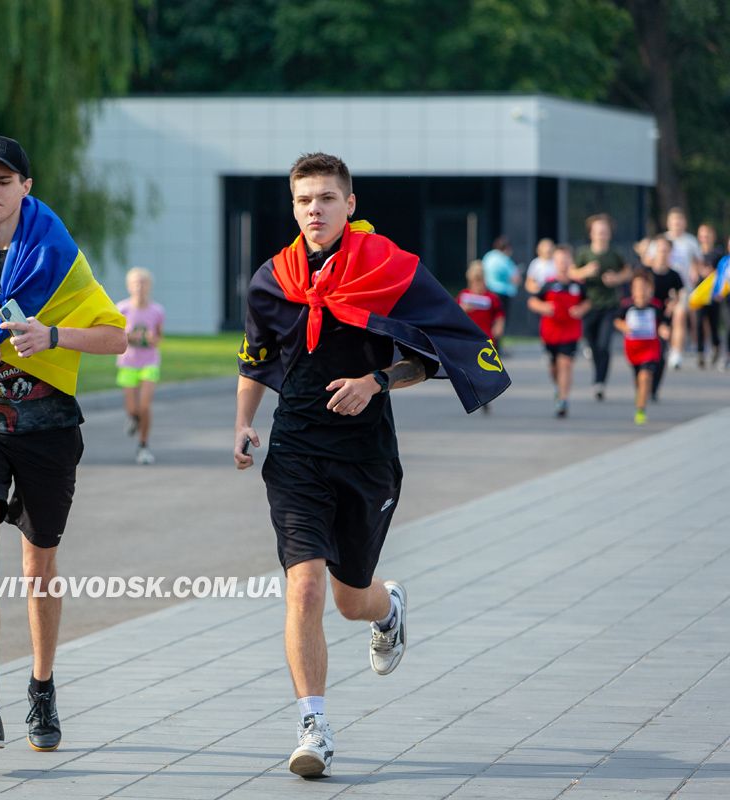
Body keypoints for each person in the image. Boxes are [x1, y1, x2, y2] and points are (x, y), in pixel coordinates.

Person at [234, 152, 510, 779]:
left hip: (365, 456)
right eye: (305, 200)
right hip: (297, 449)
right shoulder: (272, 280)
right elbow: (254, 357)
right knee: (302, 584)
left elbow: (433, 356)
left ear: (349, 205)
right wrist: (244, 421)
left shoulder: (390, 269)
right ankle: (314, 726)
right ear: (294, 206)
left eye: (328, 199)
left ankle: (388, 610)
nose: (315, 210)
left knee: (350, 596)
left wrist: (375, 381)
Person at [0, 135, 127, 752]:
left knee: (38, 564)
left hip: (47, 428)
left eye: (4, 179)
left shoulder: (57, 255)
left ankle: (41, 687)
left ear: (25, 188)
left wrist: (54, 335)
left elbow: (117, 337)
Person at [569, 213, 630, 401]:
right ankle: (598, 373)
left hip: (609, 304)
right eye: (598, 231)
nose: (601, 234)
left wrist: (616, 279)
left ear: (610, 233)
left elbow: (627, 271)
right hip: (588, 305)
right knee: (593, 344)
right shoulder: (583, 253)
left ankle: (600, 382)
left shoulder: (615, 254)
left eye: (605, 231)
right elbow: (572, 272)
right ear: (591, 233)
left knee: (604, 345)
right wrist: (585, 271)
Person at [527, 245, 589, 417]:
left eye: (566, 260)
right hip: (551, 333)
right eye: (560, 260)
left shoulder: (578, 285)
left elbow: (587, 302)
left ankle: (563, 400)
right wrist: (544, 307)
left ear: (571, 262)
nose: (563, 264)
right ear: (554, 262)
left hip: (570, 332)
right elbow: (532, 302)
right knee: (554, 367)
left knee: (566, 364)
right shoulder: (548, 284)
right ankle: (558, 388)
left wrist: (581, 309)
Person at [116, 267, 165, 465]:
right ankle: (133, 417)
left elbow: (159, 336)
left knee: (145, 406)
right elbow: (115, 336)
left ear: (149, 286)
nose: (140, 286)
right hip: (128, 362)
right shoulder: (122, 309)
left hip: (149, 362)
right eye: (136, 283)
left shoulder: (157, 311)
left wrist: (153, 339)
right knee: (132, 408)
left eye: (143, 283)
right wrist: (130, 336)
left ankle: (143, 445)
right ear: (129, 286)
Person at [615, 269, 670, 425]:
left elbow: (662, 324)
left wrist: (664, 331)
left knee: (645, 376)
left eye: (644, 287)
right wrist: (624, 326)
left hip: (651, 348)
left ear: (650, 289)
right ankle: (641, 395)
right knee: (638, 378)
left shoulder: (656, 306)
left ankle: (641, 409)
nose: (640, 291)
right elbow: (617, 320)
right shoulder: (627, 305)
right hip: (633, 349)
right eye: (637, 287)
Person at [457, 260, 505, 412]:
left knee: (486, 370)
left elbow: (499, 314)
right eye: (474, 281)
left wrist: (499, 326)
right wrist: (463, 309)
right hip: (467, 339)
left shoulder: (491, 298)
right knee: (469, 369)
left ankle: (484, 393)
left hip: (486, 338)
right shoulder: (464, 296)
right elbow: (454, 314)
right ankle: (477, 392)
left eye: (480, 281)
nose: (477, 285)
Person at [645, 236, 684, 400]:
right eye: (659, 250)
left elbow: (680, 294)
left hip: (663, 319)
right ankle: (643, 383)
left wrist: (674, 303)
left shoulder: (673, 275)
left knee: (661, 354)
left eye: (665, 250)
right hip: (646, 318)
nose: (662, 253)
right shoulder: (646, 272)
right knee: (645, 355)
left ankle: (654, 388)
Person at [664, 208, 702, 369]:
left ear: (684, 223)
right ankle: (665, 346)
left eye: (680, 221)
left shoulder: (690, 241)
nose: (677, 224)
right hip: (664, 288)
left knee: (679, 316)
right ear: (668, 222)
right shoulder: (662, 240)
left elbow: (697, 262)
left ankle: (676, 352)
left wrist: (695, 271)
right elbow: (650, 261)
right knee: (666, 320)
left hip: (682, 288)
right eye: (674, 221)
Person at [695, 223, 724, 368]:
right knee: (699, 322)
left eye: (708, 235)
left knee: (713, 323)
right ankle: (700, 352)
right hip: (699, 294)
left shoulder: (718, 254)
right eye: (703, 235)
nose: (705, 238)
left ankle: (716, 346)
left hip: (713, 294)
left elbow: (723, 272)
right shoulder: (696, 254)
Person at [482, 235, 521, 309]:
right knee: (500, 318)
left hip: (488, 292)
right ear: (507, 248)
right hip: (502, 295)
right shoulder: (505, 260)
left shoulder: (488, 256)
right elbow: (516, 279)